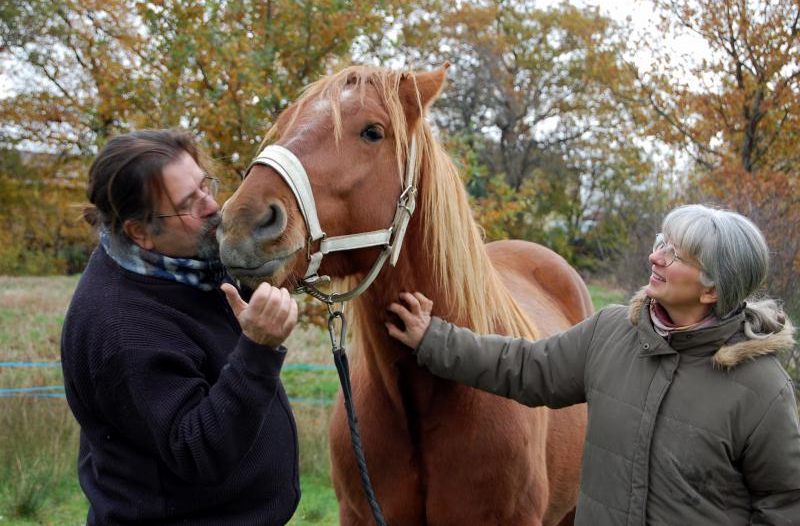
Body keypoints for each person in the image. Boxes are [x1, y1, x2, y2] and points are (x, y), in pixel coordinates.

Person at [386, 204, 800, 524]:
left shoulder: (761, 387)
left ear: (712, 289)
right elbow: (526, 366)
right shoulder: (612, 332)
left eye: (675, 254)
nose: (655, 257)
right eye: (661, 241)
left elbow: (784, 503)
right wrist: (433, 340)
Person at [61, 129, 300, 525]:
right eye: (189, 203)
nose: (213, 207)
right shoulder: (123, 328)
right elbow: (197, 451)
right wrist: (256, 349)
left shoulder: (188, 265)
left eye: (206, 186)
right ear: (140, 232)